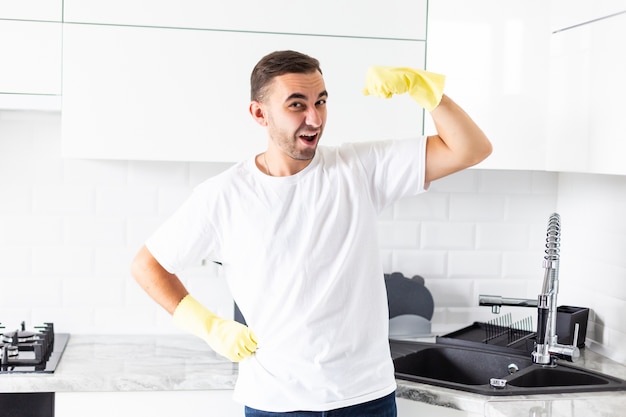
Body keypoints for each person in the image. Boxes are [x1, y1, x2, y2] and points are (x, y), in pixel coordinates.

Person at [131, 50, 492, 416]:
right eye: (296, 104)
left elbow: (471, 148)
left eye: (321, 101)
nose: (314, 118)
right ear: (259, 113)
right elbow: (148, 265)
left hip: (366, 398)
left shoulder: (359, 169)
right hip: (275, 402)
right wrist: (207, 325)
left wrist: (426, 92)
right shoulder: (224, 196)